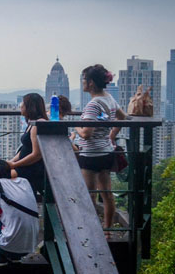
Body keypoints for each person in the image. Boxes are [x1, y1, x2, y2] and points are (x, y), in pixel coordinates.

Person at [73, 64, 127, 237]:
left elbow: (87, 134)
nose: (82, 82)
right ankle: (107, 230)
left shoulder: (93, 105)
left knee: (90, 196)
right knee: (107, 193)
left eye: (83, 79)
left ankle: (92, 232)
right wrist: (111, 136)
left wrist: (76, 128)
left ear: (91, 83)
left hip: (90, 155)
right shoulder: (109, 98)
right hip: (106, 153)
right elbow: (122, 118)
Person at [8, 93, 47, 194]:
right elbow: (25, 149)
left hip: (32, 169)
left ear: (30, 107)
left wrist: (14, 164)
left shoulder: (38, 124)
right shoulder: (31, 124)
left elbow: (37, 154)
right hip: (25, 165)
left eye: (23, 103)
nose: (20, 105)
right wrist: (10, 162)